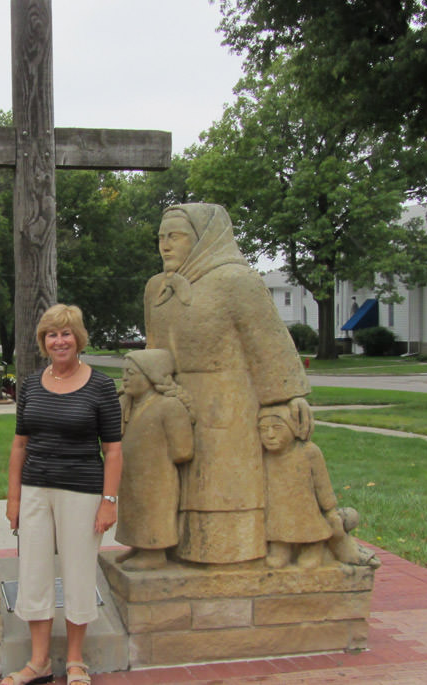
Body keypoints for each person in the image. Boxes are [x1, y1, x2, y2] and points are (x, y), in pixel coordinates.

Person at [143, 203, 310, 564]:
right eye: (161, 237)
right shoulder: (157, 288)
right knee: (176, 481)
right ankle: (170, 545)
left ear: (204, 239)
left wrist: (289, 395)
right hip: (174, 401)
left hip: (228, 402)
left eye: (175, 236)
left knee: (222, 481)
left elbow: (268, 343)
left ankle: (230, 551)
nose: (165, 245)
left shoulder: (237, 281)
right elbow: (153, 350)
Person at [2, 304, 122, 685]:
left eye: (66, 333)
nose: (59, 341)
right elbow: (20, 444)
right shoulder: (31, 385)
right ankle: (38, 662)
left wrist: (109, 501)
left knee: (78, 573)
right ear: (44, 341)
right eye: (52, 334)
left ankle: (75, 661)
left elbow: (113, 450)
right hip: (35, 491)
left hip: (82, 493)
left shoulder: (101, 386)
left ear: (78, 338)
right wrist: (14, 498)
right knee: (34, 573)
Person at [115, 349, 193, 571]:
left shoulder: (169, 406)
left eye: (131, 373)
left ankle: (154, 552)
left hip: (158, 476)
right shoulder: (128, 404)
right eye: (123, 373)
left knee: (153, 511)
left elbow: (183, 450)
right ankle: (137, 546)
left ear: (151, 375)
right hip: (131, 473)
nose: (125, 378)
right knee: (133, 509)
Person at [257, 402, 337, 569]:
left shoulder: (309, 452)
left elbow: (322, 483)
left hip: (304, 507)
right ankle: (280, 548)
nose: (270, 435)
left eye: (277, 428)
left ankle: (312, 547)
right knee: (277, 525)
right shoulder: (265, 457)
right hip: (277, 510)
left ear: (292, 429)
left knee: (308, 526)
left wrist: (329, 508)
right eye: (263, 429)